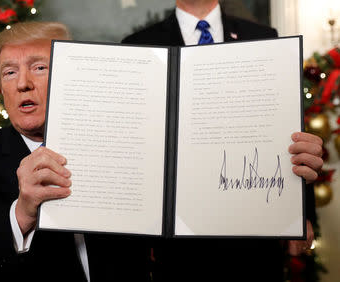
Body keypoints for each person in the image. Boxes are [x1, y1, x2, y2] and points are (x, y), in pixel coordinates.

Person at [0, 22, 149, 281]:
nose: (22, 84)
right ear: (1, 89)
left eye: (39, 68)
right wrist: (20, 216)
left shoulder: (119, 145)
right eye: (9, 72)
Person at [122, 0, 322, 281]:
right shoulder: (138, 45)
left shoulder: (264, 38)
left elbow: (289, 132)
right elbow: (136, 142)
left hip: (255, 231)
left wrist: (300, 212)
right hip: (175, 243)